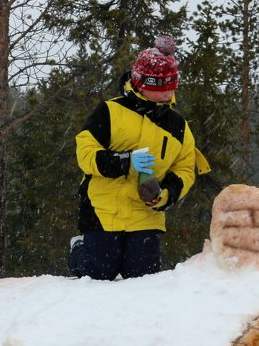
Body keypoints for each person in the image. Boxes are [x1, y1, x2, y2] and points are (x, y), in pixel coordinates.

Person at [74, 35, 200, 280]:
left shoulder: (178, 125)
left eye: (171, 86)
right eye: (161, 87)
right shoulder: (111, 110)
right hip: (103, 208)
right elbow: (85, 152)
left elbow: (185, 167)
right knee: (99, 274)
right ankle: (80, 248)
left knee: (142, 276)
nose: (168, 92)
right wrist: (123, 162)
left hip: (146, 214)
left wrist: (168, 194)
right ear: (141, 84)